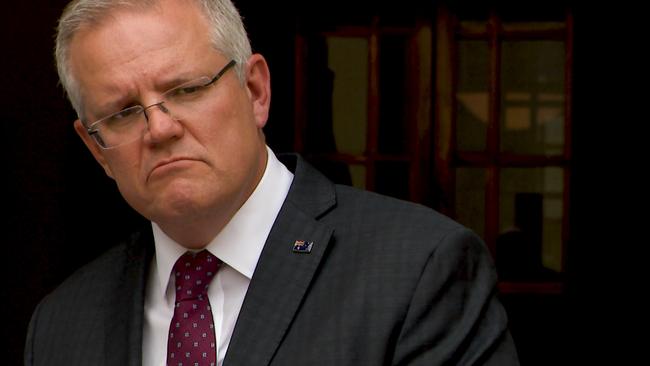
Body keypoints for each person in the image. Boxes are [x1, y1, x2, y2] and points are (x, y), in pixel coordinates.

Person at [24, 0, 519, 365]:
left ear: (255, 91)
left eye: (187, 89)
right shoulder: (62, 324)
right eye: (123, 112)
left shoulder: (418, 271)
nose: (160, 129)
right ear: (96, 149)